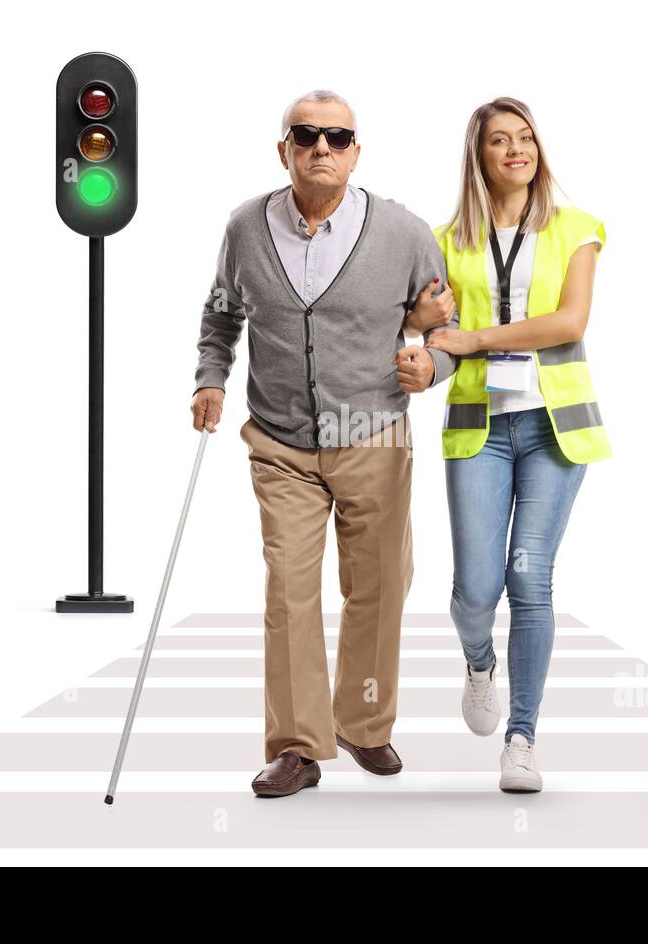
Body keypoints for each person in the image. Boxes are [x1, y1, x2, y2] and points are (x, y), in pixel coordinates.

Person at [191, 90, 459, 797]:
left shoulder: (404, 233)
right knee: (289, 586)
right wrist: (209, 379)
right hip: (280, 441)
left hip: (373, 434)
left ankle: (365, 724)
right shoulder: (246, 226)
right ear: (283, 149)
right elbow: (222, 313)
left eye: (337, 136)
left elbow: (445, 327)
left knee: (377, 587)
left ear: (356, 152)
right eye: (304, 135)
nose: (321, 147)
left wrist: (434, 363)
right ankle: (298, 746)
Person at [405, 96, 611, 793]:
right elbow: (434, 334)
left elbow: (568, 321)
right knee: (475, 588)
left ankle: (522, 737)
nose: (516, 149)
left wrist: (475, 338)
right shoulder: (443, 241)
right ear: (480, 155)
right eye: (500, 140)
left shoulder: (578, 228)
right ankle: (477, 660)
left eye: (525, 138)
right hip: (480, 429)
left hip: (555, 428)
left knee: (529, 579)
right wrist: (432, 348)